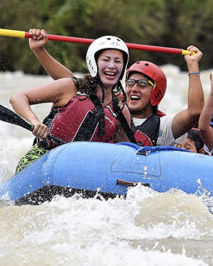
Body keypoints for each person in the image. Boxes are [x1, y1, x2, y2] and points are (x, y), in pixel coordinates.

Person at [26, 29, 204, 147]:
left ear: (156, 92)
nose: (134, 88)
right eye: (130, 83)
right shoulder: (108, 105)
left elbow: (195, 112)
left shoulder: (163, 126)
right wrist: (40, 51)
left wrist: (193, 67)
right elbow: (71, 84)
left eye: (142, 84)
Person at [10, 35, 133, 173]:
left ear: (123, 67)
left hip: (85, 170)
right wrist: (35, 121)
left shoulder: (121, 111)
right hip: (45, 157)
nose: (112, 66)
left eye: (118, 61)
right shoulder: (70, 87)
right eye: (105, 60)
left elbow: (124, 155)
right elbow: (18, 98)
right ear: (94, 62)